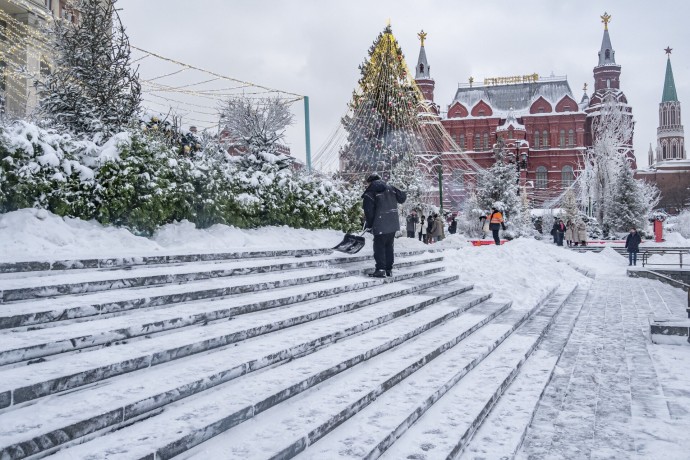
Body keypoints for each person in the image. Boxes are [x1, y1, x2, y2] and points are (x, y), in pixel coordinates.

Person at [362, 173, 407, 277]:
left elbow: (368, 210)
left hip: (380, 222)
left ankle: (381, 269)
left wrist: (369, 224)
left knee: (379, 246)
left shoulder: (370, 191)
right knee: (389, 246)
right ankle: (388, 269)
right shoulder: (390, 188)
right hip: (392, 222)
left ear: (370, 182)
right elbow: (402, 198)